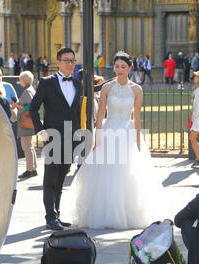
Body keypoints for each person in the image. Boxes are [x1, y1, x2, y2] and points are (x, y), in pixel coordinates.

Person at [61, 51, 164, 230]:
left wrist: (138, 140)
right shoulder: (107, 87)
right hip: (109, 130)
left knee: (127, 171)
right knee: (106, 170)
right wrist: (97, 138)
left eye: (123, 66)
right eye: (117, 66)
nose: (119, 69)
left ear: (130, 68)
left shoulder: (136, 89)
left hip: (127, 131)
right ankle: (104, 211)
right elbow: (100, 116)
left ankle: (128, 211)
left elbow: (137, 117)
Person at [29, 47, 81, 231]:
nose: (70, 64)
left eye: (73, 61)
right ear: (57, 62)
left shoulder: (77, 83)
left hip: (71, 136)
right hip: (52, 136)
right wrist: (40, 130)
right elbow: (33, 108)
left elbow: (75, 112)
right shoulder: (47, 82)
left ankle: (57, 214)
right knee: (51, 177)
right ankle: (49, 216)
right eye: (66, 60)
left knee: (61, 176)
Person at [16, 71, 38, 179]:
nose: (19, 82)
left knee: (27, 146)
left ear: (23, 80)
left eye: (20, 79)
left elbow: (29, 107)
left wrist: (19, 107)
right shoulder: (31, 89)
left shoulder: (27, 91)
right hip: (30, 122)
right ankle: (33, 168)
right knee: (30, 146)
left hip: (26, 122)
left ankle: (29, 170)